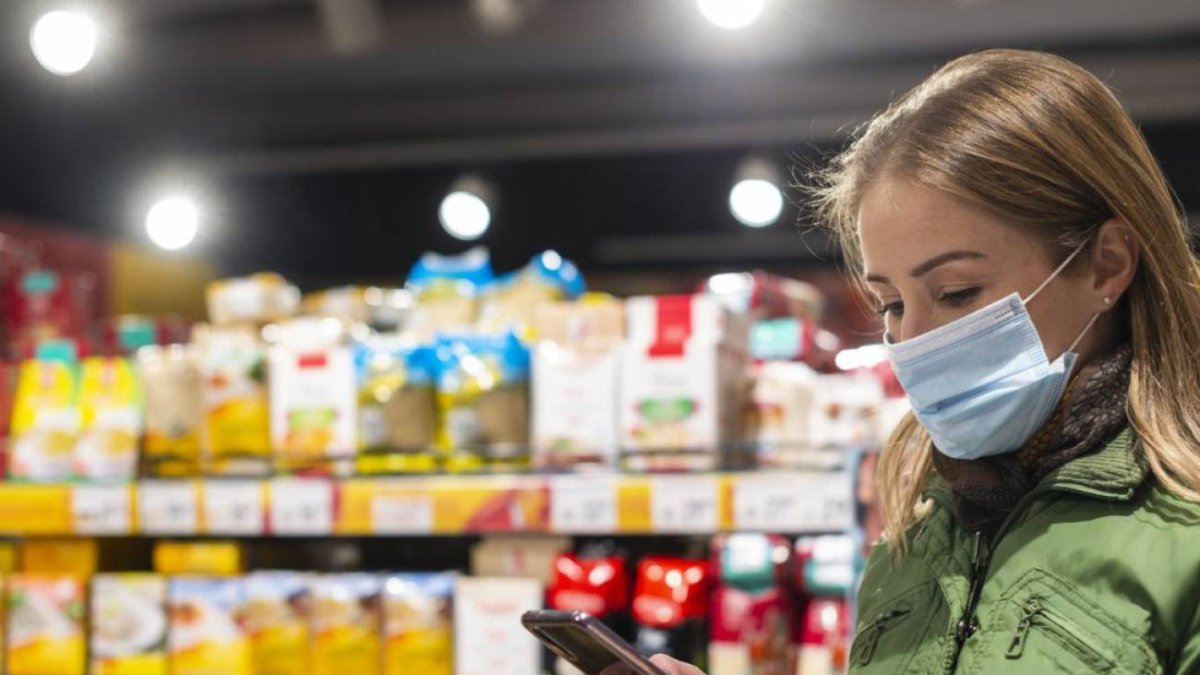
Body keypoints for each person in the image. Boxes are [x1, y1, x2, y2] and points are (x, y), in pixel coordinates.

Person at [653, 48, 1200, 674]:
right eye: (890, 304)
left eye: (957, 293)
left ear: (1106, 264)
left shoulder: (1183, 532)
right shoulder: (914, 532)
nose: (912, 340)